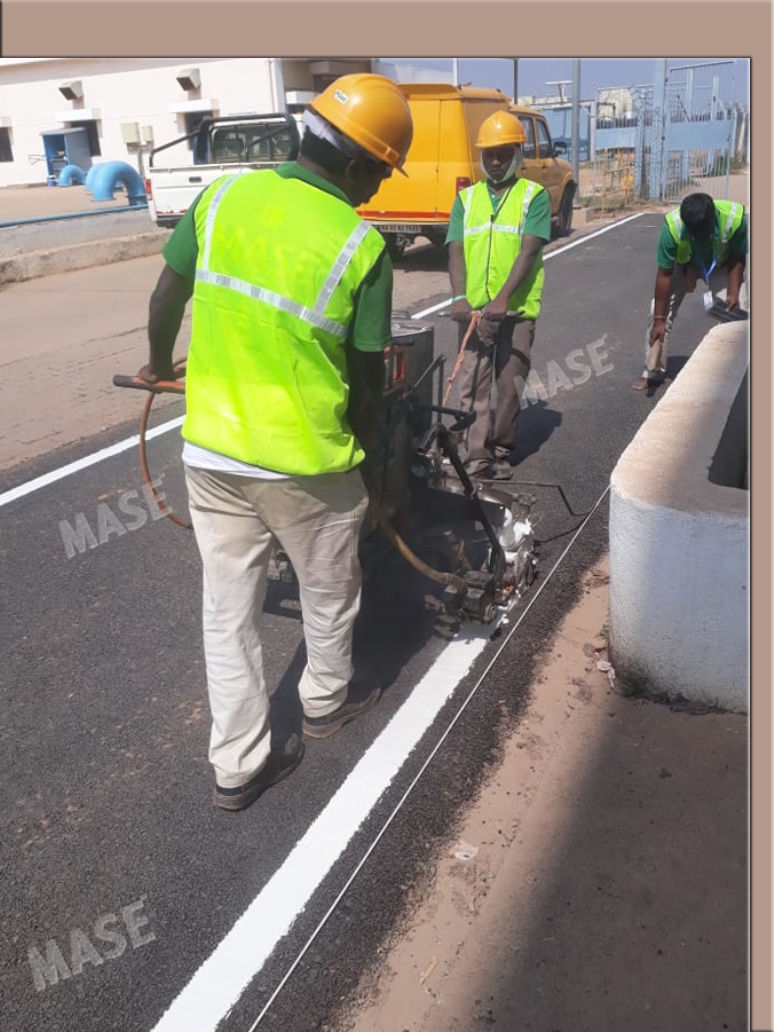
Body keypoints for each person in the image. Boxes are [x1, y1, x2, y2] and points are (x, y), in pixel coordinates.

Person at [136, 74, 413, 811]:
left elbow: (166, 297)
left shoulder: (223, 198)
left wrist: (162, 368)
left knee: (226, 610)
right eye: (381, 173)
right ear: (357, 166)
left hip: (214, 453)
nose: (378, 189)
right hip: (306, 462)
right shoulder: (360, 246)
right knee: (330, 588)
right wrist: (368, 448)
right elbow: (366, 376)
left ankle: (236, 765)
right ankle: (323, 704)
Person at [445, 110, 552, 480]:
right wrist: (459, 297)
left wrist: (504, 297)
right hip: (474, 310)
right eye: (489, 154)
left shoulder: (533, 197)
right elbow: (456, 248)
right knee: (473, 384)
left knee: (509, 385)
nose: (495, 161)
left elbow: (529, 249)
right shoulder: (466, 199)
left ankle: (502, 448)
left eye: (503, 153)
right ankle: (476, 457)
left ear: (518, 154)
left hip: (516, 310)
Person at [632, 191, 748, 391]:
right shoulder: (673, 226)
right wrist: (660, 319)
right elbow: (665, 274)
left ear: (714, 218)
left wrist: (733, 292)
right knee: (657, 314)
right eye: (695, 234)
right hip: (683, 265)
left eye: (705, 233)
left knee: (740, 311)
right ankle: (652, 371)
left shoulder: (734, 218)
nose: (700, 237)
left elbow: (737, 256)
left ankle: (736, 370)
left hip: (720, 265)